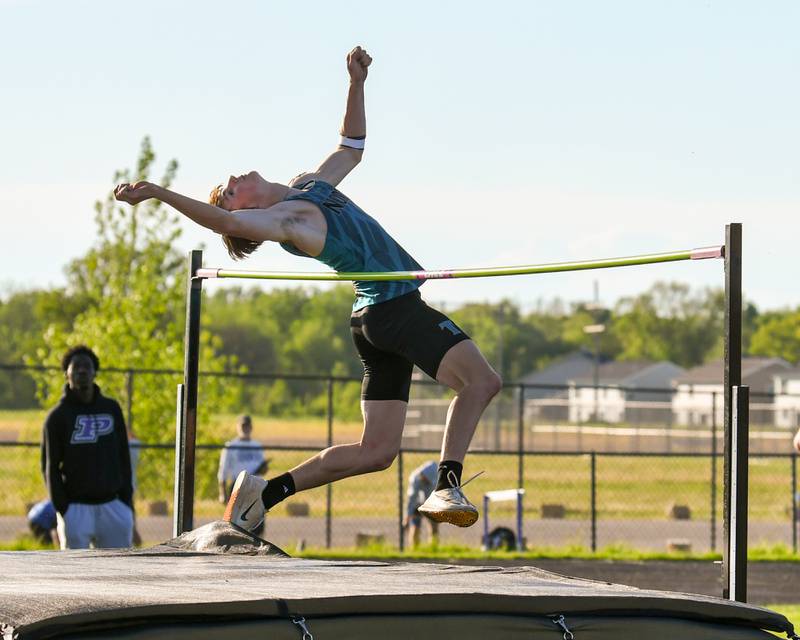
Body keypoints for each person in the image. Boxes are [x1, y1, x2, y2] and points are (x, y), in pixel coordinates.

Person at [114, 46, 501, 533]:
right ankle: (447, 484)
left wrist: (356, 82)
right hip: (392, 309)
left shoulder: (309, 186)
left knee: (377, 452)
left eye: (229, 183)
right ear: (249, 215)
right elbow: (225, 220)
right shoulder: (285, 222)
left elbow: (351, 148)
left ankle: (264, 492)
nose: (234, 179)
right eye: (231, 189)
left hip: (372, 319)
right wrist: (159, 193)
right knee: (483, 382)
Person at [41, 345, 134, 549]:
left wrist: (125, 500)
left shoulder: (111, 409)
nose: (82, 370)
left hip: (113, 505)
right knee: (75, 575)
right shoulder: (57, 417)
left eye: (87, 366)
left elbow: (123, 456)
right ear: (67, 373)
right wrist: (63, 508)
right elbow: (50, 466)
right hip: (76, 508)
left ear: (94, 372)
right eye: (76, 366)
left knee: (120, 572)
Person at [403, 460, 439, 547]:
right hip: (417, 504)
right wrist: (407, 516)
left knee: (434, 526)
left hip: (432, 504)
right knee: (415, 526)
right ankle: (414, 548)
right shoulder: (415, 478)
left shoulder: (437, 476)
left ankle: (433, 547)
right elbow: (411, 498)